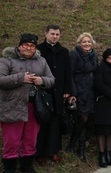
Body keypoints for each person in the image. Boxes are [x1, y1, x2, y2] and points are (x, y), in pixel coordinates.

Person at [0, 33, 55, 173]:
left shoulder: (41, 60)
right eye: (26, 45)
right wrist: (20, 78)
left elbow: (51, 79)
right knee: (11, 139)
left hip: (34, 106)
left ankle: (27, 166)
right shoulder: (7, 60)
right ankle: (9, 168)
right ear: (20, 46)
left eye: (32, 46)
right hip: (12, 106)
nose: (29, 48)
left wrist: (41, 80)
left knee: (31, 138)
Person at [36, 25, 72, 166]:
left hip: (59, 92)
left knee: (55, 123)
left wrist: (68, 90)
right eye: (52, 34)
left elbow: (67, 72)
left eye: (57, 34)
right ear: (45, 34)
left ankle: (53, 151)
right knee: (43, 123)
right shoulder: (39, 50)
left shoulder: (64, 51)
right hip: (43, 92)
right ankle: (40, 153)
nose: (55, 36)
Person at [66, 32, 98, 162]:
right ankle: (73, 145)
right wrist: (72, 93)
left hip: (91, 90)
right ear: (80, 43)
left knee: (88, 119)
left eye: (89, 42)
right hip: (80, 90)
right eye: (84, 42)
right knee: (82, 119)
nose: (87, 44)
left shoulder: (93, 55)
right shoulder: (74, 54)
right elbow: (70, 74)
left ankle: (81, 149)